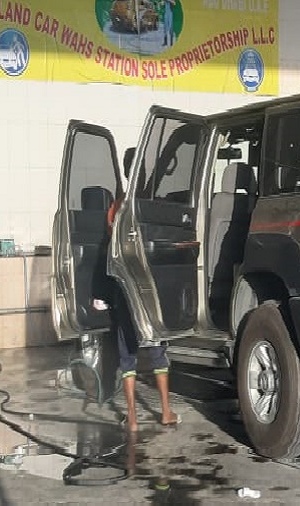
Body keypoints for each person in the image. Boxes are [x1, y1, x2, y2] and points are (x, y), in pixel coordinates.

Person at [105, 149, 180, 432]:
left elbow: (110, 245)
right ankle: (165, 412)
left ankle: (133, 419)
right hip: (150, 286)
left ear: (126, 172)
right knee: (158, 348)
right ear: (144, 170)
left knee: (127, 355)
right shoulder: (153, 205)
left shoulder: (117, 206)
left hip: (124, 286)